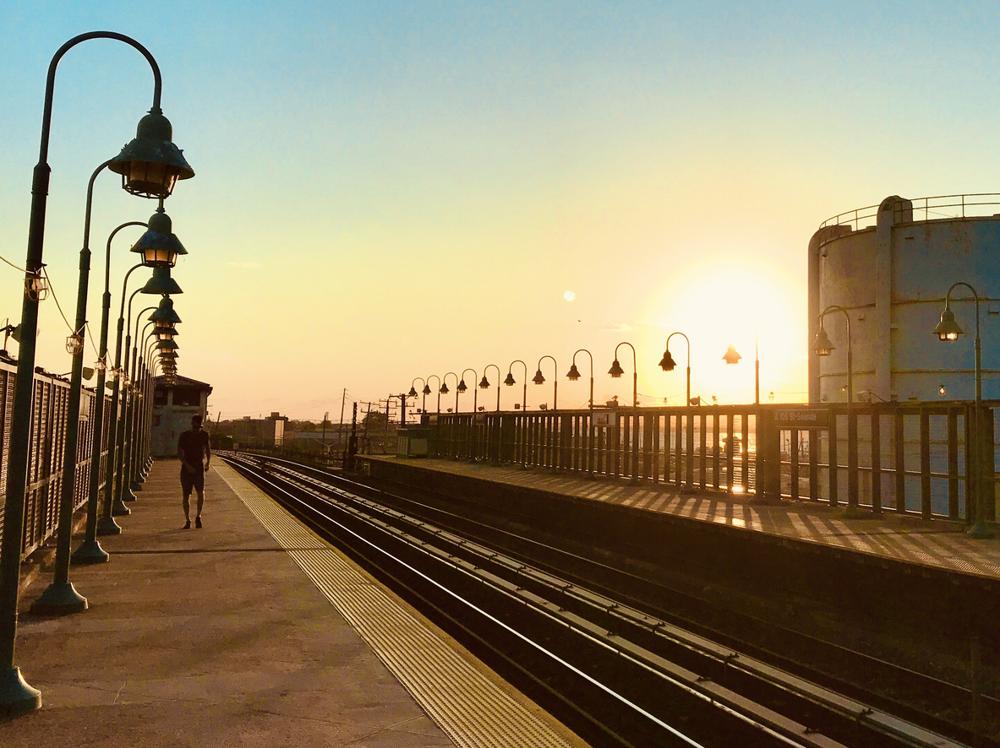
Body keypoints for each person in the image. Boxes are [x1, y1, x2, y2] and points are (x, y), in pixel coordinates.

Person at [178, 414, 211, 528]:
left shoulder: (204, 435)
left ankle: (198, 516)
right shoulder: (184, 436)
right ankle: (188, 520)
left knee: (200, 492)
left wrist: (208, 462)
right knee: (186, 495)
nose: (196, 428)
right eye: (194, 425)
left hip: (198, 467)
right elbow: (180, 454)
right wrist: (187, 466)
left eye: (197, 426)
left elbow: (208, 449)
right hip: (188, 468)